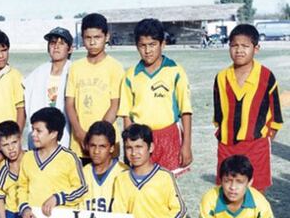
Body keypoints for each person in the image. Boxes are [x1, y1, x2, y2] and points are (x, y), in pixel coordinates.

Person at [17, 107, 88, 218]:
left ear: (53, 133)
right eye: (32, 129)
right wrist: (24, 208)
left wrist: (59, 198)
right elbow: (21, 187)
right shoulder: (27, 158)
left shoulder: (69, 158)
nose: (33, 134)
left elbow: (82, 188)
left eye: (38, 131)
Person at [118, 18, 193, 176]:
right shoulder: (130, 75)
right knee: (142, 184)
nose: (147, 50)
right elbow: (126, 117)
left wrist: (186, 145)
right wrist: (128, 147)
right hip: (140, 140)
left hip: (169, 136)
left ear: (162, 44)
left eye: (152, 45)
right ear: (136, 46)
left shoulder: (175, 71)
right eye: (142, 46)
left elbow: (186, 111)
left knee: (169, 186)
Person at [213, 24, 283, 192]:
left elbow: (276, 117)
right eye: (234, 46)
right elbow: (219, 114)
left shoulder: (266, 76)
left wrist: (264, 139)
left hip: (256, 146)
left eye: (245, 46)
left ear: (256, 48)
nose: (239, 50)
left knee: (256, 193)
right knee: (227, 193)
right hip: (227, 145)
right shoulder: (221, 77)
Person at [65, 13, 124, 165]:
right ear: (82, 37)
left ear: (107, 37)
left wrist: (98, 137)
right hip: (80, 143)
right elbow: (70, 104)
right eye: (88, 38)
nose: (92, 42)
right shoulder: (75, 68)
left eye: (97, 37)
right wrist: (79, 133)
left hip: (106, 143)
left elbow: (115, 105)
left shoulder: (115, 67)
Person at [24, 27, 73, 149]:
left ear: (70, 48)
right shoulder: (38, 73)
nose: (56, 46)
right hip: (40, 133)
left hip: (65, 131)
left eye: (62, 43)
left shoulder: (74, 71)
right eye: (52, 42)